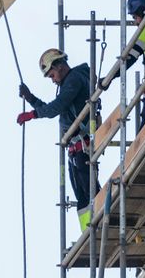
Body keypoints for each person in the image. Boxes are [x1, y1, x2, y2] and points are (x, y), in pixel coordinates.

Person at [18, 48, 97, 230]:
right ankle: (89, 232)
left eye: (52, 75)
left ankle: (97, 228)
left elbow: (57, 107)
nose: (52, 80)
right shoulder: (68, 83)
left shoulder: (75, 78)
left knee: (88, 191)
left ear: (59, 66)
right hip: (75, 146)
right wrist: (31, 99)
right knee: (82, 195)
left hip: (82, 143)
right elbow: (57, 107)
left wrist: (33, 114)